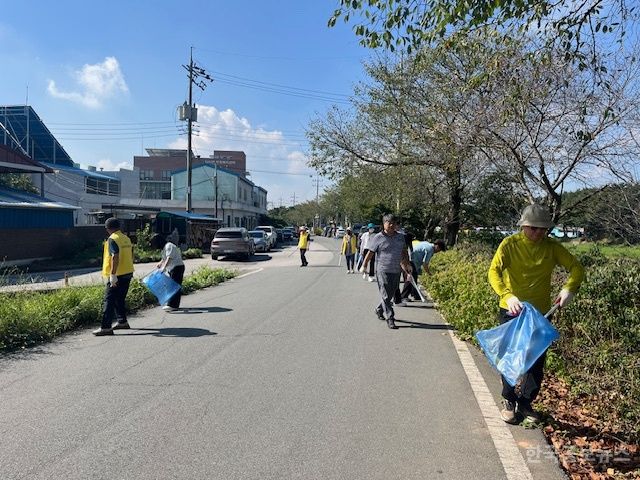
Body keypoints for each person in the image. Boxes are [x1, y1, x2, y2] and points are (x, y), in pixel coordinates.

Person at [488, 204, 584, 424]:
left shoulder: (552, 247)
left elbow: (576, 268)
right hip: (512, 309)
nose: (538, 233)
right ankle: (509, 400)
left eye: (543, 229)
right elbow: (494, 271)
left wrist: (569, 288)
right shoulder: (509, 244)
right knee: (512, 357)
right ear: (523, 226)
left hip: (541, 312)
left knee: (536, 361)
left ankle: (526, 402)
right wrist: (507, 294)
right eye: (533, 228)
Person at [360, 214, 412, 329]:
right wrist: (364, 265)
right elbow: (370, 253)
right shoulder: (377, 237)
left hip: (396, 270)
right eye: (389, 222)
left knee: (389, 294)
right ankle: (390, 317)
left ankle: (379, 310)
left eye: (394, 223)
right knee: (385, 294)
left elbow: (404, 252)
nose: (392, 225)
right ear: (384, 224)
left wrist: (407, 265)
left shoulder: (400, 237)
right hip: (382, 270)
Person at [93, 217, 134, 335]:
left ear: (107, 229)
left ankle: (106, 327)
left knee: (109, 300)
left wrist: (112, 274)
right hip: (128, 272)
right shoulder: (126, 238)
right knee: (119, 299)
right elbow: (131, 254)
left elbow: (114, 256)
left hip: (118, 274)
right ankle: (122, 322)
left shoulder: (112, 239)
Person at [151, 233, 185, 311]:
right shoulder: (165, 248)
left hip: (177, 267)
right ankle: (173, 304)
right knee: (173, 286)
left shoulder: (169, 246)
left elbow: (169, 258)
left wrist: (163, 268)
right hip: (173, 268)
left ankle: (173, 305)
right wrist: (160, 263)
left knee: (174, 287)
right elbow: (164, 258)